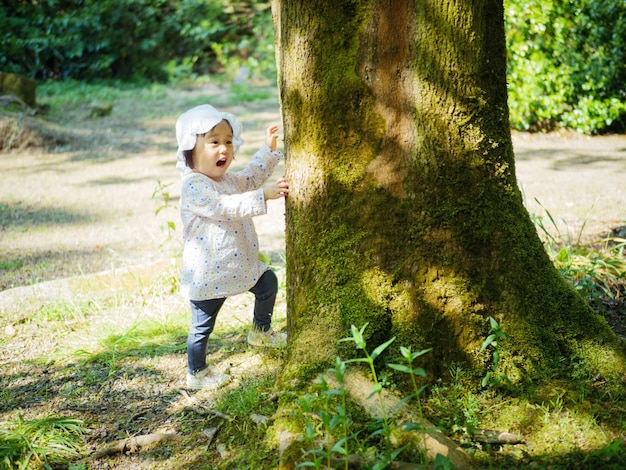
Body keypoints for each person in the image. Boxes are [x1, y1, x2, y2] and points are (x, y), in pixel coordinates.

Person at [175, 104, 289, 390]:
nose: (223, 149)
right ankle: (196, 373)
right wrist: (263, 197)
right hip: (210, 274)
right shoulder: (194, 186)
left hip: (239, 265)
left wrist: (268, 149)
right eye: (213, 142)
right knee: (202, 326)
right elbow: (223, 207)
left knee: (267, 283)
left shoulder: (226, 180)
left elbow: (250, 178)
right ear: (191, 149)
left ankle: (261, 331)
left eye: (228, 141)